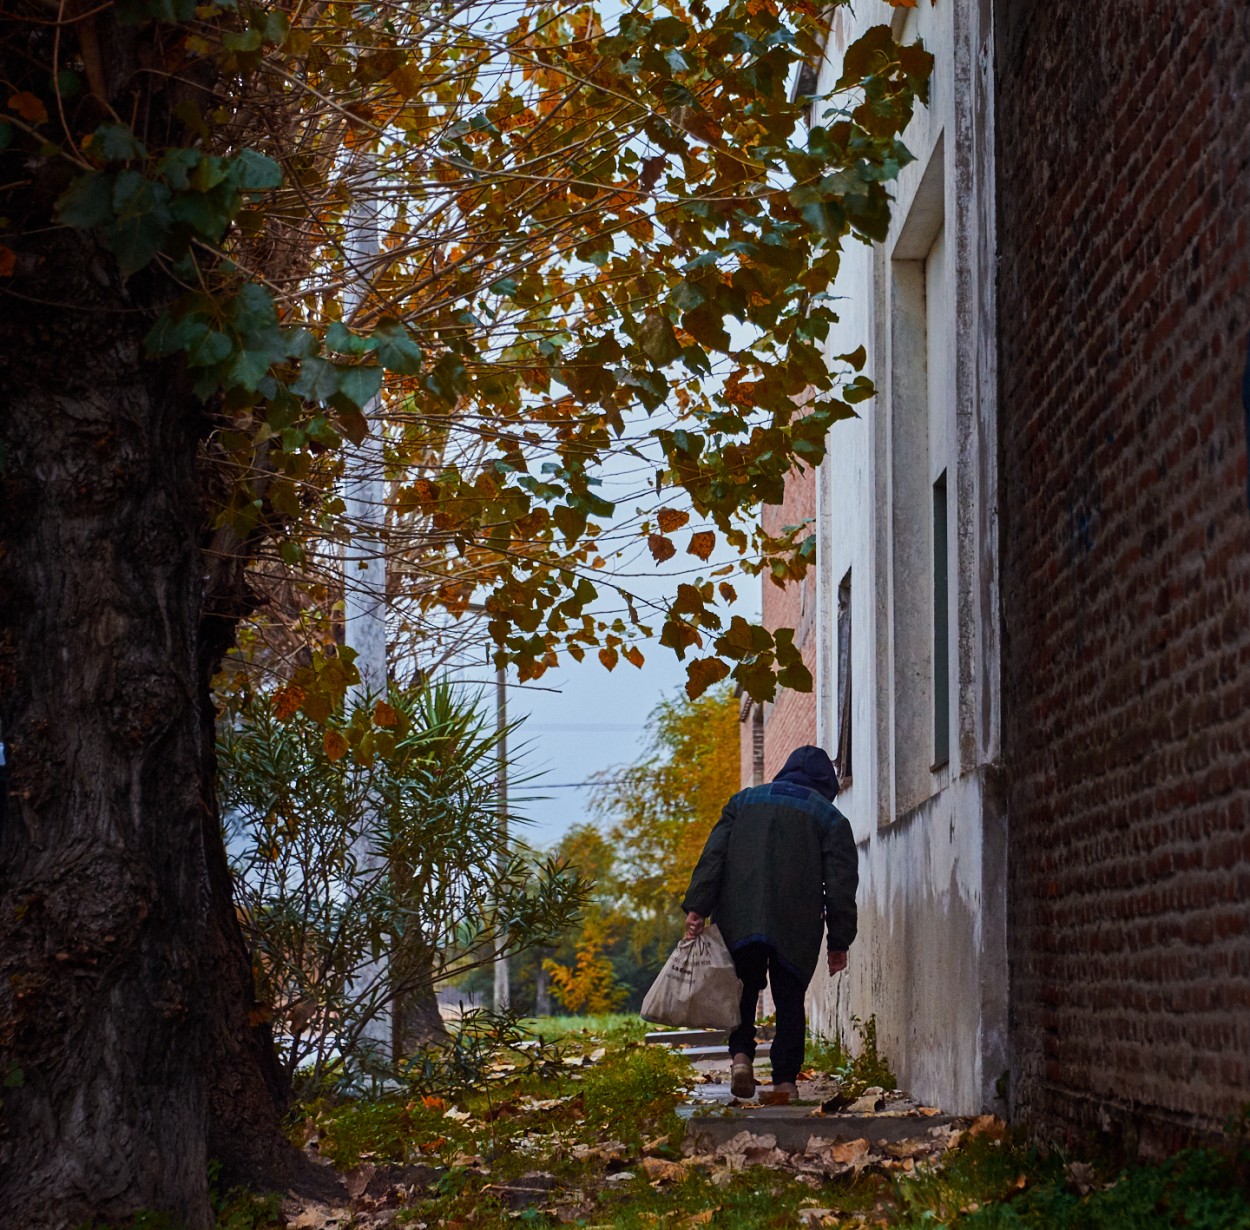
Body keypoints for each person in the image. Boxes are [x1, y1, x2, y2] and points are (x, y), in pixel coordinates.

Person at [681, 744, 858, 1103]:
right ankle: (785, 1082)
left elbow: (714, 856)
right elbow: (840, 883)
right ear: (826, 783)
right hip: (795, 921)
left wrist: (697, 906)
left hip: (738, 915)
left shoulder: (743, 802)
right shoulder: (829, 818)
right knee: (790, 999)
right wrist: (839, 941)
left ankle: (742, 1056)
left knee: (743, 990)